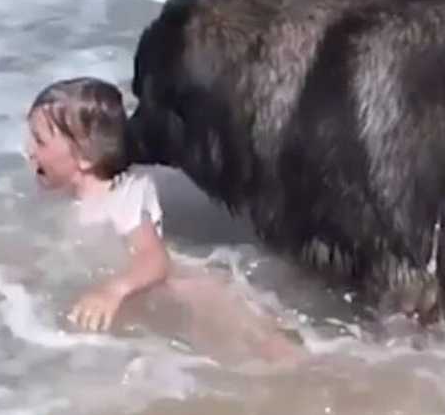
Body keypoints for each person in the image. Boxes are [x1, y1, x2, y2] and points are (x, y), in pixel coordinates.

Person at [24, 77, 303, 363]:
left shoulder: (121, 198)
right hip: (164, 303)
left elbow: (154, 259)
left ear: (84, 158)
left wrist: (112, 291)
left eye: (40, 141)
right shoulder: (68, 199)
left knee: (273, 356)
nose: (30, 150)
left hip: (195, 296)